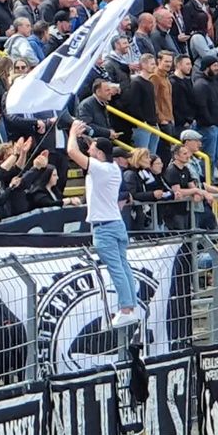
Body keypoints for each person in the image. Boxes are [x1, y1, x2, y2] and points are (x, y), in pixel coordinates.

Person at [67, 120, 138, 327]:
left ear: (99, 154)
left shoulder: (100, 169)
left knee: (116, 268)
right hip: (116, 223)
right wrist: (84, 135)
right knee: (123, 266)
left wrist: (72, 133)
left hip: (104, 227)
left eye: (92, 149)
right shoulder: (112, 167)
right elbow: (96, 147)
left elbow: (72, 152)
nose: (88, 150)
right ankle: (130, 306)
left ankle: (126, 309)